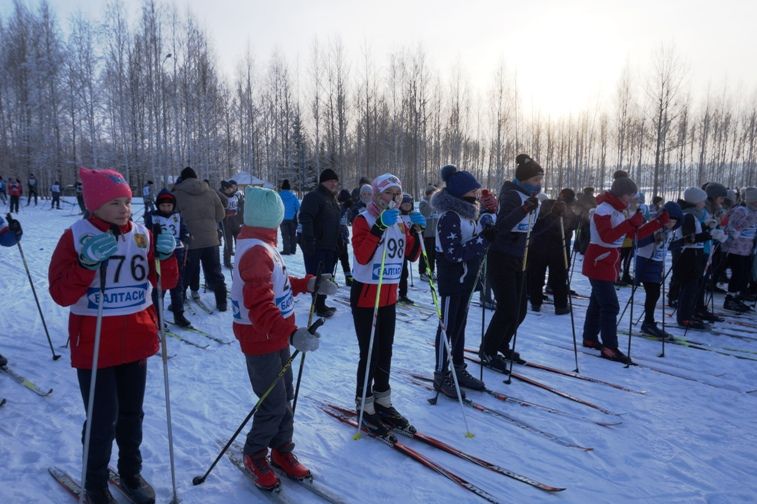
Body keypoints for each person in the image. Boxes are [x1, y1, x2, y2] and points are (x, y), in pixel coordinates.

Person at [48, 167, 178, 504]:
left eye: (126, 201)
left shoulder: (141, 234)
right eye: (115, 203)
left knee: (132, 415)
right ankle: (94, 483)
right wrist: (86, 265)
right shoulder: (76, 236)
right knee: (103, 418)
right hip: (95, 343)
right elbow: (61, 293)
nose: (125, 208)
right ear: (94, 205)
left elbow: (166, 282)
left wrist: (167, 257)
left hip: (136, 337)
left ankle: (131, 472)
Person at [230, 186, 336, 491]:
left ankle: (281, 449)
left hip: (274, 334)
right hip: (261, 338)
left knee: (284, 396)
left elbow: (275, 282)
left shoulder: (262, 246)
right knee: (273, 402)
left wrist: (308, 283)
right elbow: (259, 304)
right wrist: (291, 333)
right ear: (272, 218)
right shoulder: (255, 251)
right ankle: (255, 454)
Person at [350, 173, 422, 434]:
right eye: (388, 193)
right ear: (377, 195)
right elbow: (362, 255)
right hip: (367, 294)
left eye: (397, 194)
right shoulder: (364, 219)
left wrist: (415, 230)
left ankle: (382, 399)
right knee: (369, 352)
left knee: (385, 350)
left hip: (389, 294)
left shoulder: (399, 222)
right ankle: (364, 403)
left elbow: (412, 255)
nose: (394, 199)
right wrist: (378, 227)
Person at [582, 176, 666, 363]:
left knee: (598, 302)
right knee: (610, 305)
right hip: (598, 260)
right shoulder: (604, 209)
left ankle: (589, 338)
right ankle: (610, 347)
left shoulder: (618, 210)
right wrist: (631, 222)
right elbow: (607, 236)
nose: (632, 199)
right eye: (630, 195)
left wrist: (656, 223)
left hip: (608, 262)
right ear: (621, 194)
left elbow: (633, 236)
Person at [431, 165, 496, 399]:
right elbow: (453, 253)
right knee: (448, 327)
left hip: (467, 280)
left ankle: (458, 368)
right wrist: (483, 241)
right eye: (473, 190)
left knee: (459, 326)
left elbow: (478, 235)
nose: (477, 194)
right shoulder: (450, 216)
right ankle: (441, 373)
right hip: (452, 281)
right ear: (461, 193)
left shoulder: (469, 214)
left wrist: (489, 223)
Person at [479, 154, 543, 371]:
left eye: (540, 180)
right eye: (535, 180)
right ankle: (487, 349)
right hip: (501, 256)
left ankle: (501, 343)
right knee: (507, 308)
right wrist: (524, 209)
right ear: (524, 180)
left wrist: (553, 214)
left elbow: (533, 228)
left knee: (520, 310)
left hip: (520, 258)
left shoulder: (533, 198)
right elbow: (502, 227)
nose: (538, 184)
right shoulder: (512, 196)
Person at [173, 167, 228, 311]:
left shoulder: (177, 193)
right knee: (215, 272)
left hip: (189, 241)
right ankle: (222, 302)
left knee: (185, 273)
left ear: (183, 178)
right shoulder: (210, 191)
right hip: (211, 239)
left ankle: (179, 301)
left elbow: (173, 217)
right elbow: (221, 214)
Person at [673, 187, 726, 329]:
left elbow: (694, 232)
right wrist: (709, 235)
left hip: (695, 254)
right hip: (688, 256)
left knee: (693, 286)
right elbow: (688, 238)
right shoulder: (689, 215)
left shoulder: (694, 214)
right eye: (702, 200)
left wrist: (706, 226)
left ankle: (688, 314)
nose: (704, 203)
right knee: (688, 288)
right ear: (696, 201)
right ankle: (684, 318)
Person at [145, 189, 192, 327]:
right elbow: (146, 234)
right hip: (160, 256)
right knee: (160, 286)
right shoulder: (152, 216)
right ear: (158, 205)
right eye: (163, 205)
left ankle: (179, 315)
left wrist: (186, 237)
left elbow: (184, 230)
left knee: (178, 286)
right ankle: (157, 316)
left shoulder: (178, 216)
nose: (166, 208)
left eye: (169, 206)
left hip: (177, 254)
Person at [298, 169, 342, 317]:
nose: (334, 183)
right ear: (322, 181)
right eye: (330, 181)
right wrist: (309, 239)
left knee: (326, 276)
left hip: (330, 245)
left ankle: (321, 303)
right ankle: (317, 304)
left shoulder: (332, 200)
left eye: (335, 181)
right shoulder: (314, 197)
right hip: (317, 245)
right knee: (316, 276)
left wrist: (339, 240)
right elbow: (306, 218)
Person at [527, 189, 578, 314]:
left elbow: (574, 225)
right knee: (558, 277)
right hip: (556, 248)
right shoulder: (557, 208)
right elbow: (573, 224)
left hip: (539, 248)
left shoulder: (546, 207)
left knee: (537, 276)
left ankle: (536, 302)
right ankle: (560, 306)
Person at [636, 202, 683, 339]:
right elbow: (638, 241)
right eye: (668, 220)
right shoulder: (653, 227)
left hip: (657, 265)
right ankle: (648, 323)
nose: (670, 224)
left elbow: (667, 246)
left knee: (654, 294)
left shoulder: (669, 232)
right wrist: (653, 238)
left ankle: (648, 322)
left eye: (674, 221)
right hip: (646, 263)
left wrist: (685, 242)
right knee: (653, 293)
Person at [721, 187, 757, 312]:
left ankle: (737, 298)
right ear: (751, 201)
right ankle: (729, 299)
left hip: (747, 248)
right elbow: (732, 228)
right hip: (735, 248)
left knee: (744, 275)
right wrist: (748, 222)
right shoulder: (741, 211)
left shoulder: (754, 212)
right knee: (737, 274)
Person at [397, 193, 417, 304]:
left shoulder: (412, 216)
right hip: (397, 248)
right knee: (397, 272)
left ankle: (403, 294)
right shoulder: (397, 216)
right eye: (404, 204)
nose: (407, 206)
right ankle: (394, 292)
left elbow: (414, 230)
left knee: (404, 273)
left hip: (407, 248)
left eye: (409, 204)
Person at [220, 180, 242, 269]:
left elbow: (240, 207)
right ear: (225, 189)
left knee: (239, 243)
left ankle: (239, 260)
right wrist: (227, 213)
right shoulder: (221, 197)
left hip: (236, 223)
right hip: (226, 224)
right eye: (230, 188)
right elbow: (219, 211)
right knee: (228, 244)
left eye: (233, 188)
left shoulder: (237, 196)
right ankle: (227, 262)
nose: (232, 189)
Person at [418, 185, 439, 282]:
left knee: (433, 255)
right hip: (426, 233)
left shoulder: (437, 204)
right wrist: (431, 203)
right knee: (426, 254)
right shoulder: (424, 202)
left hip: (435, 234)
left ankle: (431, 271)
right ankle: (423, 272)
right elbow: (425, 213)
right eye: (433, 194)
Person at [337, 189, 354, 286]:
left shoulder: (348, 209)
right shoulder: (339, 207)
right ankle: (331, 277)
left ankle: (348, 277)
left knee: (344, 258)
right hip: (336, 236)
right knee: (338, 258)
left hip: (343, 236)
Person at [278, 179, 300, 255]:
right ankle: (293, 250)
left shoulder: (279, 196)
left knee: (285, 235)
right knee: (293, 235)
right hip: (292, 219)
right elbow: (298, 207)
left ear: (282, 187)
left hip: (282, 218)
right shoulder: (293, 196)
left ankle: (286, 250)